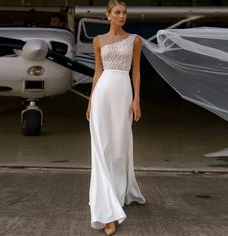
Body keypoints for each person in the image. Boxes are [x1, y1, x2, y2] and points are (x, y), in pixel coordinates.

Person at [86, 0, 146, 235]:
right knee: (101, 148)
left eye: (124, 13)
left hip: (123, 93)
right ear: (108, 15)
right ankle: (106, 212)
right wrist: (91, 100)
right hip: (102, 94)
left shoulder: (135, 40)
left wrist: (137, 99)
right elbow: (98, 71)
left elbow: (137, 70)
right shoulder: (98, 40)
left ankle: (118, 192)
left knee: (119, 148)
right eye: (117, 13)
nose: (122, 16)